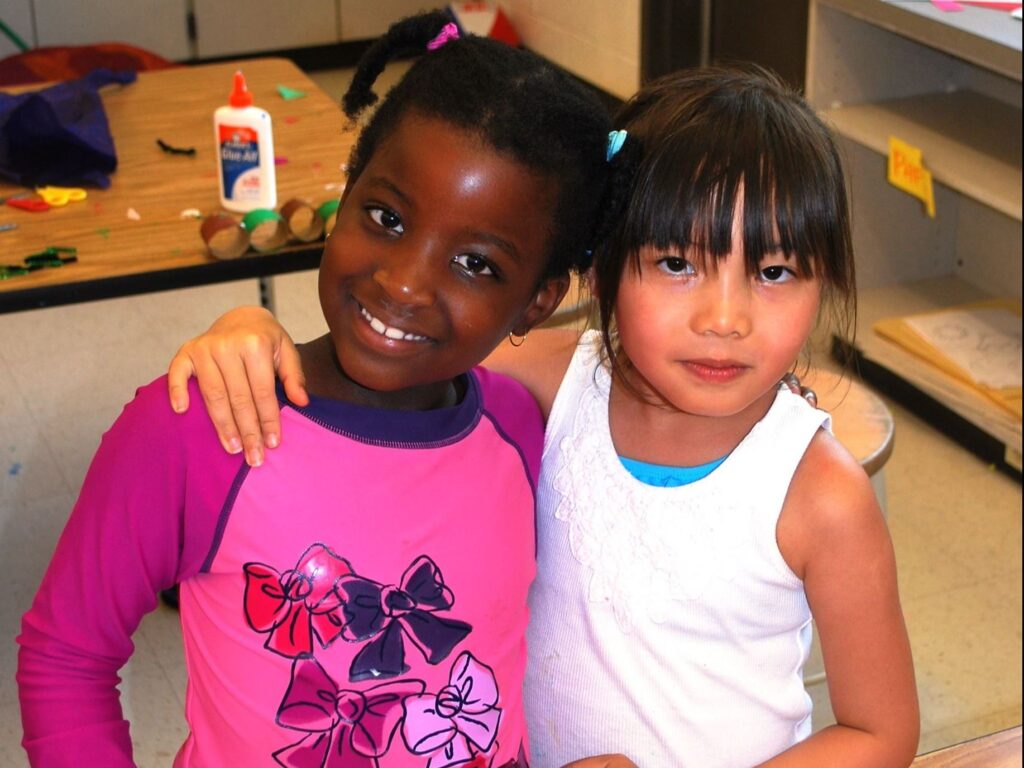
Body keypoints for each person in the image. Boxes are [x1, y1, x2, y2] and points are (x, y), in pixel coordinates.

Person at [162, 66, 921, 767]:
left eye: (774, 270)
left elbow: (880, 731)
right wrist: (251, 331)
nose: (725, 317)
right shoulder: (564, 380)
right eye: (677, 264)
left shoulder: (819, 496)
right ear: (599, 268)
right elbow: (391, 349)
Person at [16, 12, 627, 768]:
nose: (404, 282)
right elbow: (67, 656)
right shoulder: (205, 424)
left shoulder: (522, 432)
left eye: (476, 264)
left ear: (538, 299)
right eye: (385, 216)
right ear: (344, 192)